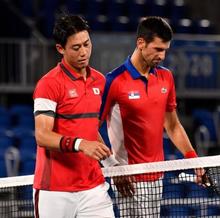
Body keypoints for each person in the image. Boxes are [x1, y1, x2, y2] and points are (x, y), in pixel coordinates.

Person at [99, 16, 203, 217]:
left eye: (165, 50)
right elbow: (90, 128)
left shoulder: (166, 77)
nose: (162, 56)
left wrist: (194, 161)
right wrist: (113, 168)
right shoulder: (113, 81)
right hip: (127, 179)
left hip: (157, 176)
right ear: (140, 43)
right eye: (158, 49)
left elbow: (172, 125)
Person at [33, 13, 115, 218]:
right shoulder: (48, 84)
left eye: (87, 44)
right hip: (55, 191)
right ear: (61, 49)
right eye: (76, 48)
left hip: (94, 189)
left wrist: (111, 164)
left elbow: (89, 129)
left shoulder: (100, 81)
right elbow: (42, 135)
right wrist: (81, 144)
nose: (84, 52)